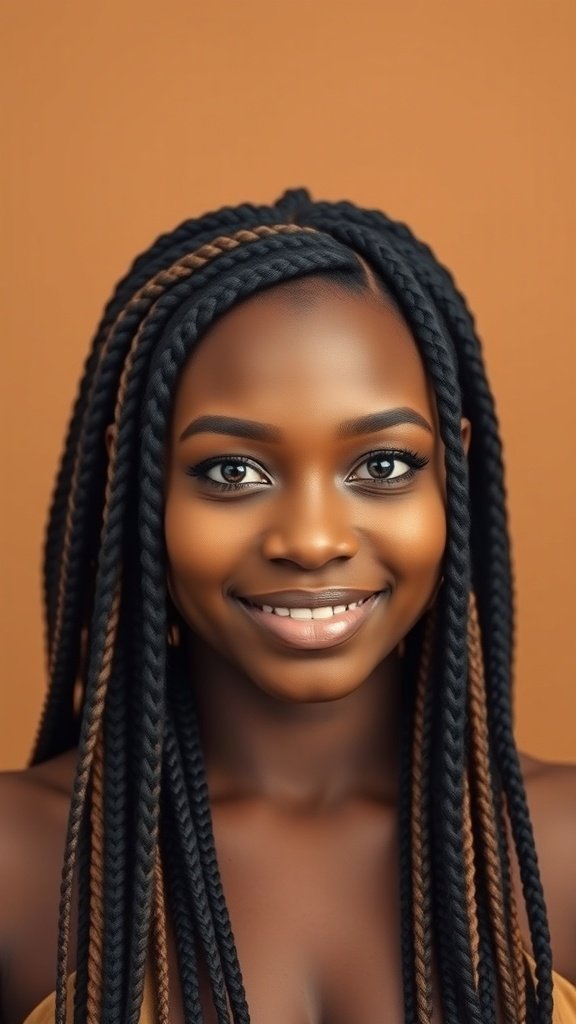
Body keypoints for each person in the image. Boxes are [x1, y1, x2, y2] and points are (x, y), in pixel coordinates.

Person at [0, 189, 574, 1024]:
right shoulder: (20, 863)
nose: (311, 539)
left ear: (454, 468)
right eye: (232, 472)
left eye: (381, 466)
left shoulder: (558, 853)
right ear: (140, 489)